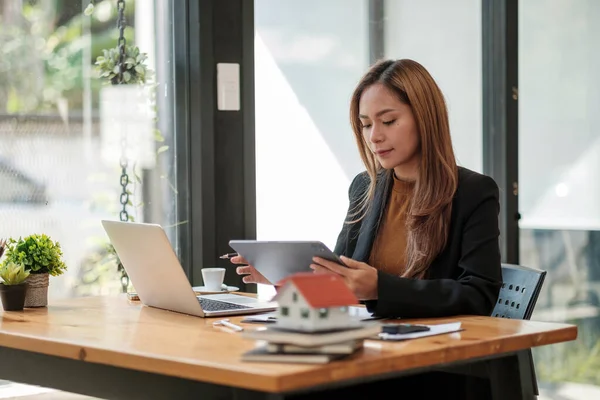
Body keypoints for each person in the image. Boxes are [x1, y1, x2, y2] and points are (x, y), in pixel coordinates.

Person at [233, 58, 502, 320]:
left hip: (436, 353)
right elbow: (341, 280)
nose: (374, 137)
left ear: (425, 118)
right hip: (372, 344)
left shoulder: (473, 192)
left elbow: (479, 295)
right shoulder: (364, 187)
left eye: (388, 121)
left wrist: (380, 288)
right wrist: (287, 277)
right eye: (366, 124)